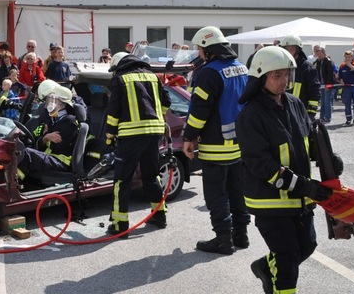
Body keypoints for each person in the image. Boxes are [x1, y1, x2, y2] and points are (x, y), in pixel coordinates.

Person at [236, 46, 333, 294]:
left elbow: (306, 142)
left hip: (300, 199)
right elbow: (261, 165)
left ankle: (267, 269)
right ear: (261, 77)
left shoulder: (294, 104)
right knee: (288, 260)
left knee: (307, 246)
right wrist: (304, 186)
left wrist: (329, 159)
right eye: (276, 75)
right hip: (270, 202)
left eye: (286, 74)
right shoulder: (250, 115)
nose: (283, 81)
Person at [182, 26, 250, 255]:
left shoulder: (210, 72)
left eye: (200, 49)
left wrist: (189, 137)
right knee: (236, 190)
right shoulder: (241, 67)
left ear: (208, 50)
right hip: (239, 143)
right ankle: (241, 235)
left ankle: (223, 240)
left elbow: (199, 111)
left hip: (215, 145)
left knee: (216, 194)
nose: (199, 53)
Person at [104, 52, 171, 237]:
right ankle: (159, 216)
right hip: (154, 134)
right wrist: (159, 118)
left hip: (131, 136)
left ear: (118, 65)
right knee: (151, 176)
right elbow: (167, 102)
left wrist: (109, 136)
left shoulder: (120, 78)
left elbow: (113, 111)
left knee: (122, 180)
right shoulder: (153, 76)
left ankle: (120, 225)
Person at [16, 84, 79, 180]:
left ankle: (13, 182)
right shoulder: (52, 119)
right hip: (50, 157)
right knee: (20, 150)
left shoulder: (69, 121)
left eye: (53, 100)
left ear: (62, 103)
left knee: (27, 153)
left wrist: (45, 137)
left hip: (61, 162)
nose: (49, 102)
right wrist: (46, 138)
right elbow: (40, 145)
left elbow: (56, 145)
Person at [279, 35, 320, 119]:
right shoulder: (279, 66)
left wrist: (310, 114)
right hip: (282, 110)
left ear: (298, 50)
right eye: (286, 49)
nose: (288, 52)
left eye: (291, 49)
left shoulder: (308, 69)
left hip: (300, 112)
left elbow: (314, 93)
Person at [313, 47, 336, 123]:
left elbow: (330, 74)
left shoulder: (328, 61)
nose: (319, 55)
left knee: (327, 101)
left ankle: (327, 117)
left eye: (320, 54)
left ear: (324, 53)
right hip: (321, 84)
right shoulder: (318, 61)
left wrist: (328, 85)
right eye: (318, 54)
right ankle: (321, 117)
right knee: (322, 102)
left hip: (327, 84)